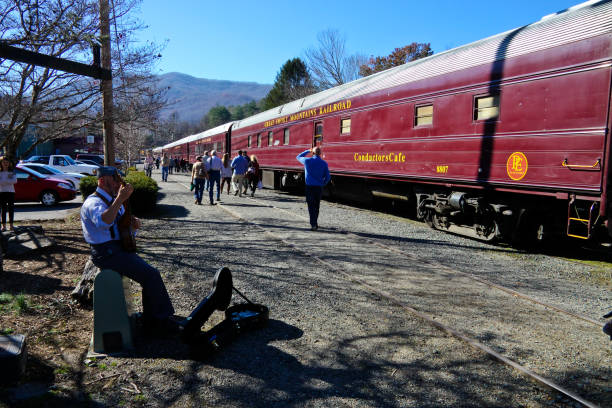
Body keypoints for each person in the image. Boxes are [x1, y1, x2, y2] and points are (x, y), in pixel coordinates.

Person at [80, 166, 177, 334]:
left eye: (119, 180)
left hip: (118, 248)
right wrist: (120, 199)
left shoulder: (115, 200)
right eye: (115, 180)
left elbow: (122, 229)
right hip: (105, 253)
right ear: (102, 181)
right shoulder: (93, 202)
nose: (119, 183)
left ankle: (154, 318)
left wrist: (133, 226)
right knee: (151, 275)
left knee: (150, 275)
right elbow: (105, 221)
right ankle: (158, 321)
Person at [296, 147, 330, 231]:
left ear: (313, 153)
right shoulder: (324, 163)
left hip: (309, 187)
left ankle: (313, 224)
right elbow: (328, 177)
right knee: (316, 206)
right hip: (319, 187)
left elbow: (298, 157)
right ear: (320, 154)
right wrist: (323, 183)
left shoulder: (307, 161)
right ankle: (315, 222)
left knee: (311, 206)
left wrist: (308, 151)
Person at [0, 156, 17, 231]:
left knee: (11, 209)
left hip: (11, 192)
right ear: (1, 163)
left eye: (7, 162)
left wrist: (4, 182)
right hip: (1, 192)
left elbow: (14, 181)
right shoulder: (0, 172)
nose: (5, 164)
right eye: (4, 162)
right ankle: (3, 226)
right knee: (3, 209)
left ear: (9, 163)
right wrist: (7, 181)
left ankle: (11, 225)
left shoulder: (11, 172)